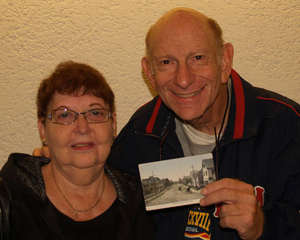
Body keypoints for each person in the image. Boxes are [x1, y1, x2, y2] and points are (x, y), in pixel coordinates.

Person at [34, 7, 300, 240]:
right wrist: (62, 163)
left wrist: (263, 227)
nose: (183, 79)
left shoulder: (287, 127)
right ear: (149, 72)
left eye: (198, 58)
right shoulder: (140, 134)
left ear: (224, 60)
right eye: (166, 62)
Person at [0, 61, 153, 239]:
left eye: (95, 113)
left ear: (113, 126)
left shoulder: (138, 202)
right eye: (65, 115)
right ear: (43, 129)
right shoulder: (9, 200)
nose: (82, 128)